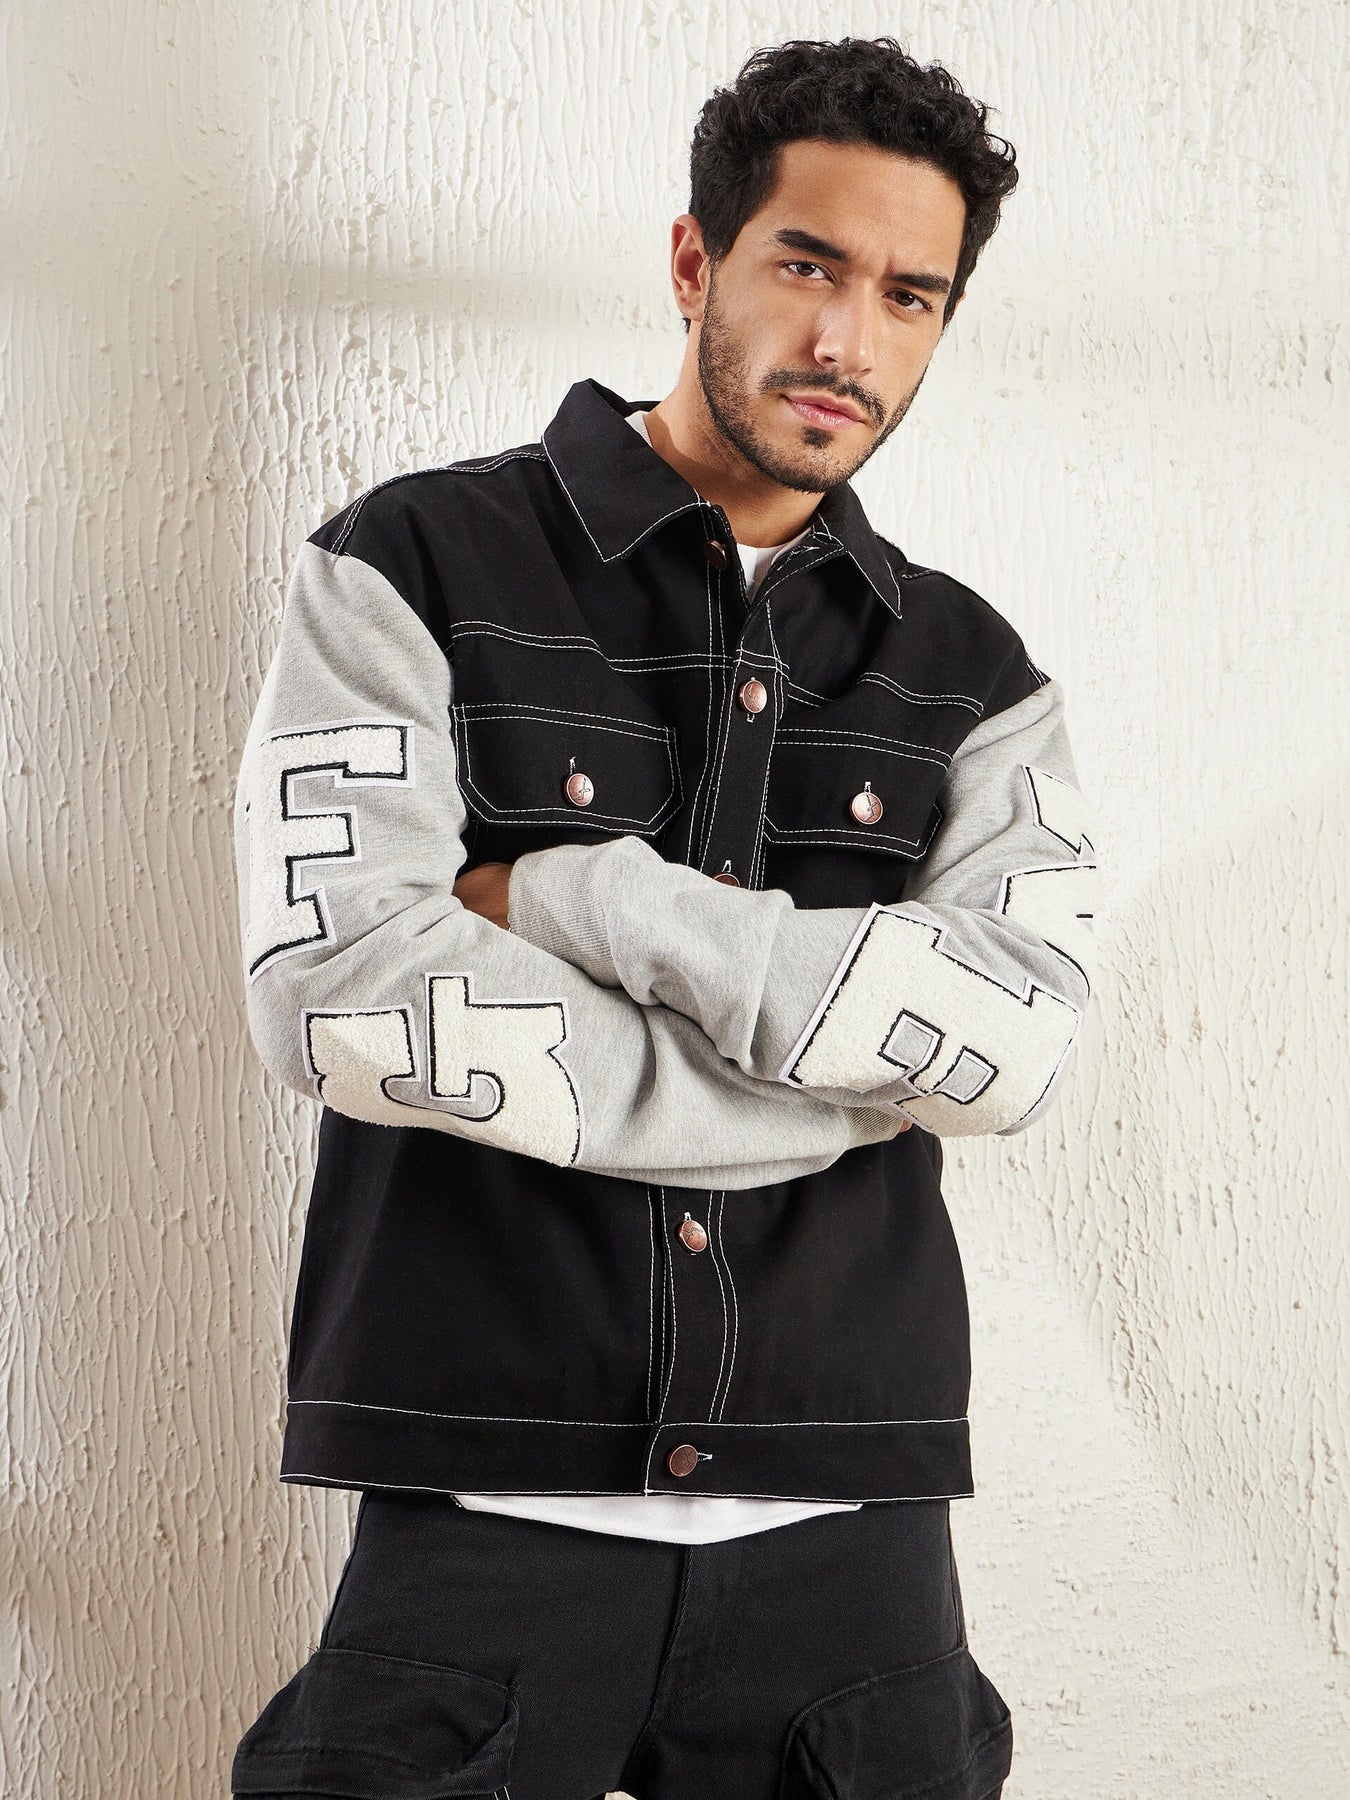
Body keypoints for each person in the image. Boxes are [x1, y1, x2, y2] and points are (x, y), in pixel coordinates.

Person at [228, 35, 1097, 1800]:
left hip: (851, 1538)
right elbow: (341, 994)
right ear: (697, 260)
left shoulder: (974, 674)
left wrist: (575, 893)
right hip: (484, 1511)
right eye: (807, 265)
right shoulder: (409, 564)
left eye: (909, 296)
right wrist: (836, 1084)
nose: (847, 340)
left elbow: (1007, 1049)